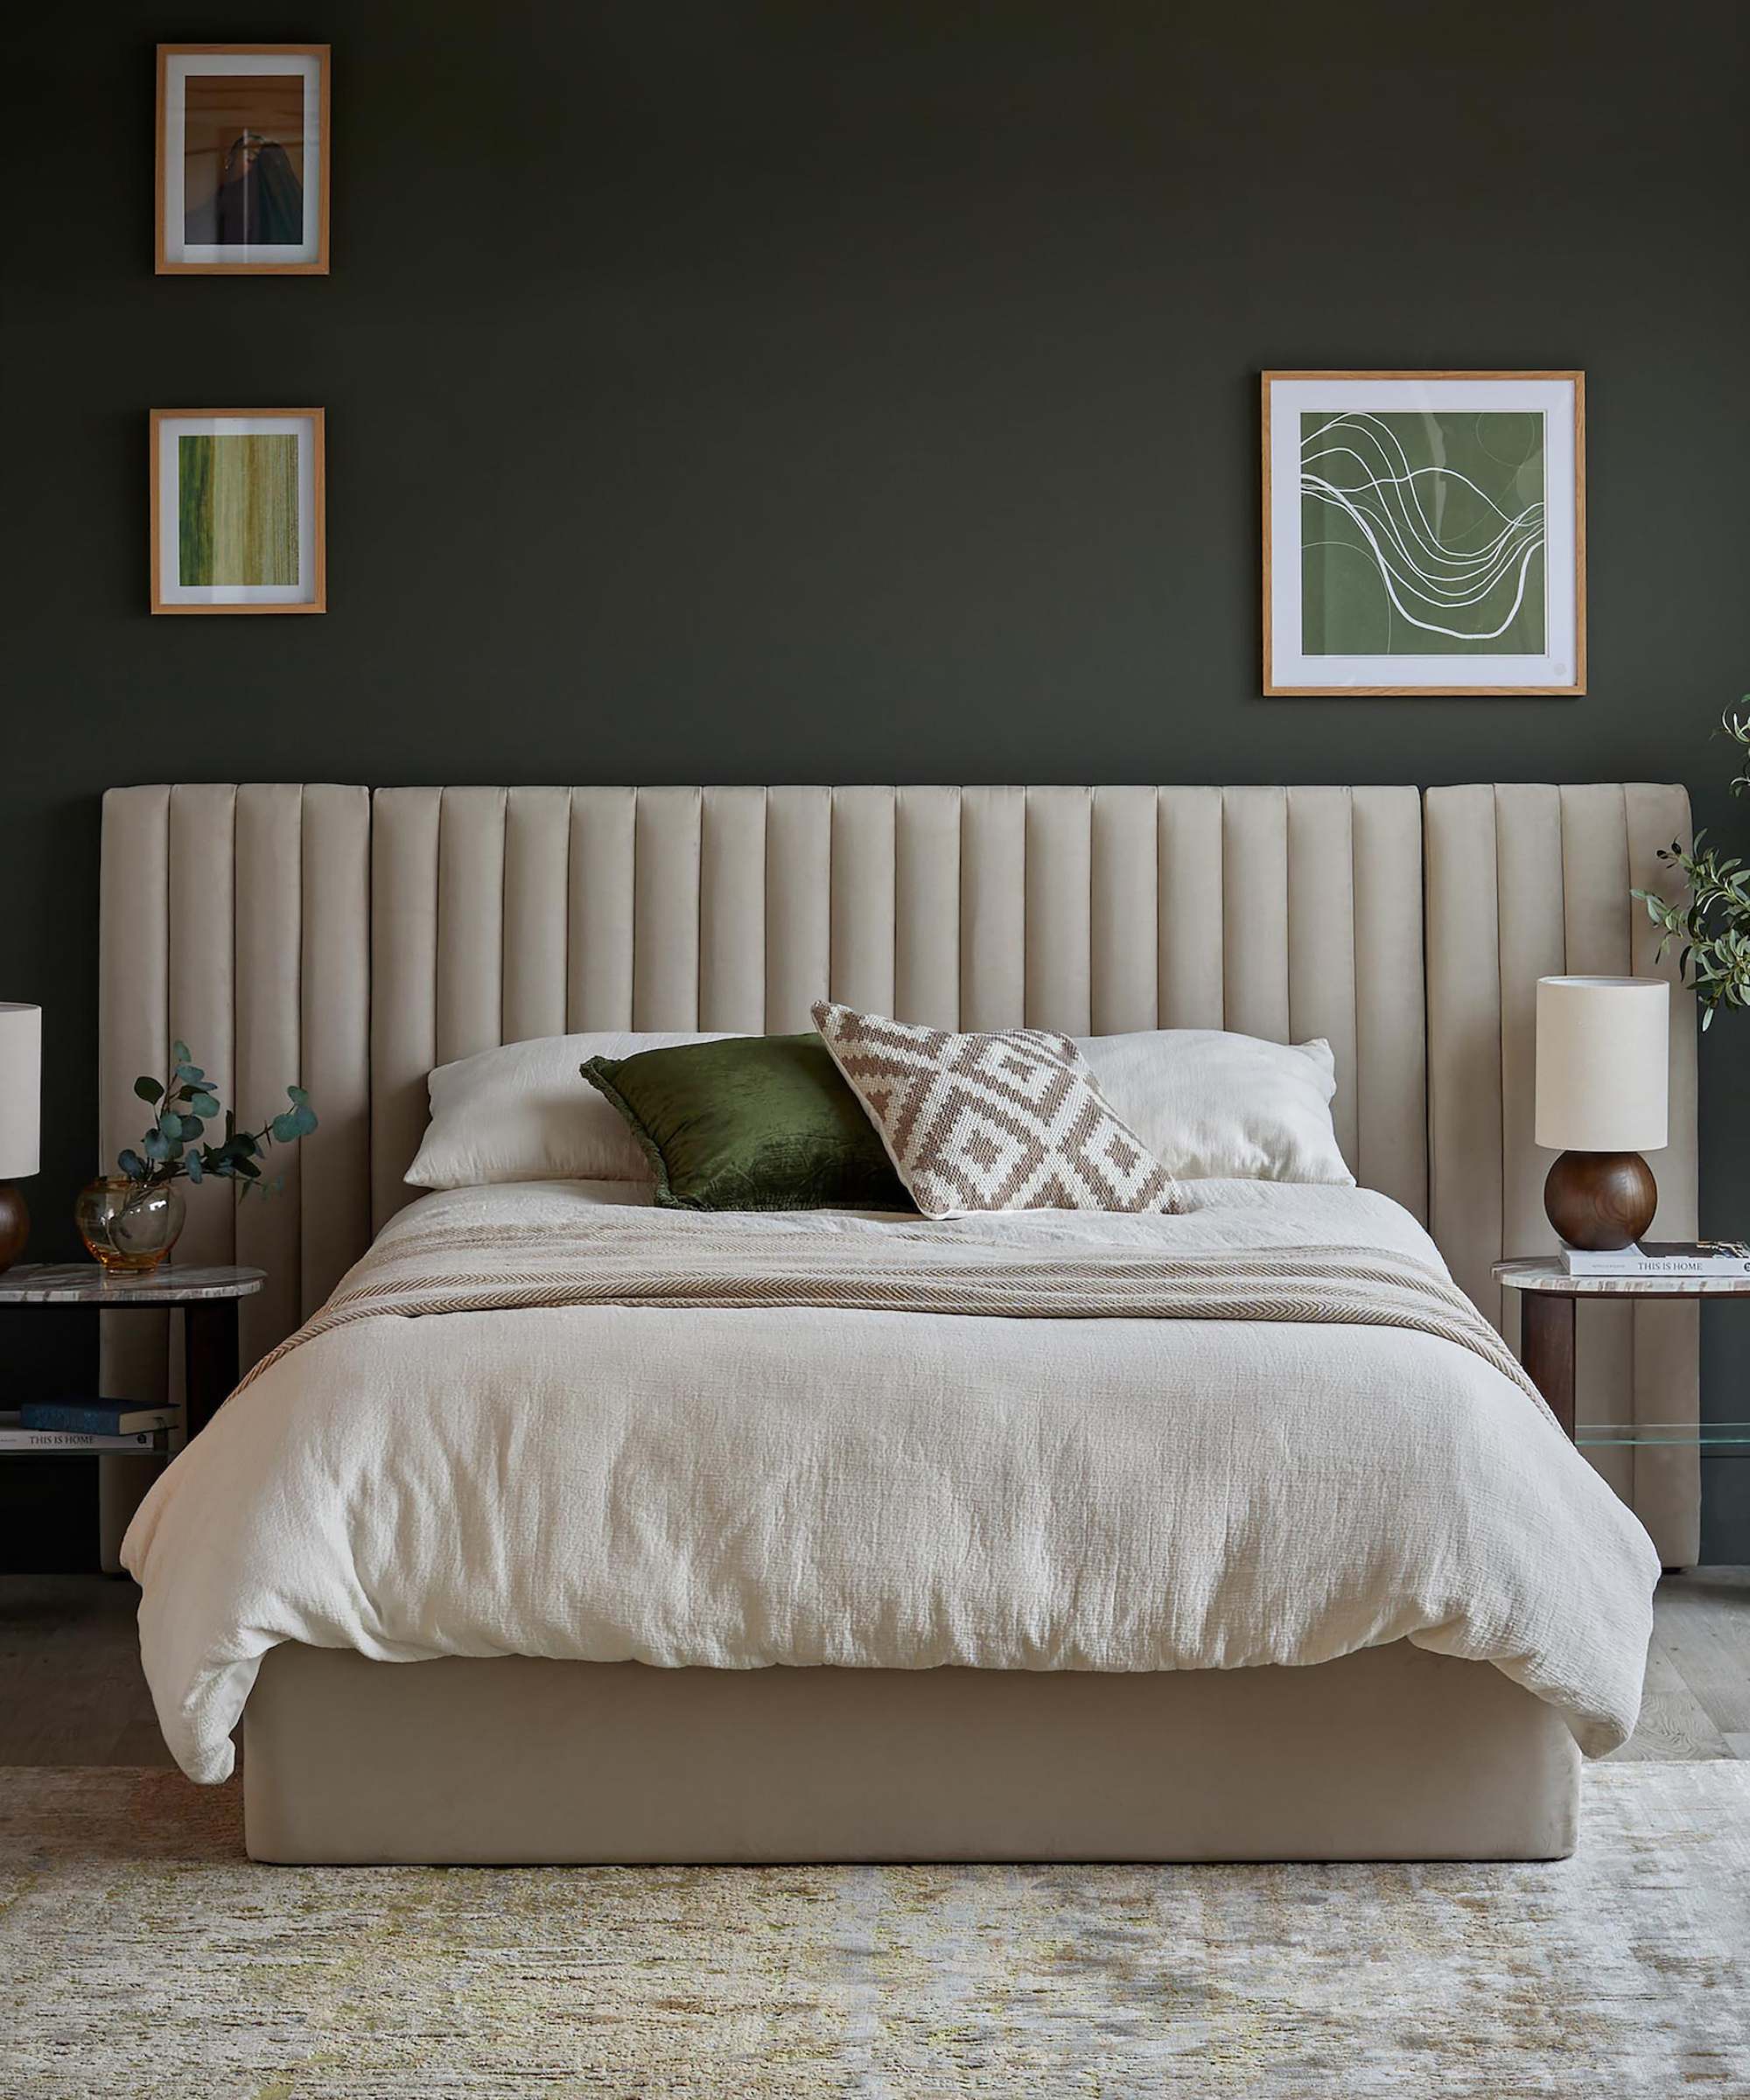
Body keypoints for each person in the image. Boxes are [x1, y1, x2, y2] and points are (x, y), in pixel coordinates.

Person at [186, 130, 303, 247]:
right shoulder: (218, 204)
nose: (256, 169)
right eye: (250, 159)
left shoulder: (273, 204)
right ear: (228, 161)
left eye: (262, 163)